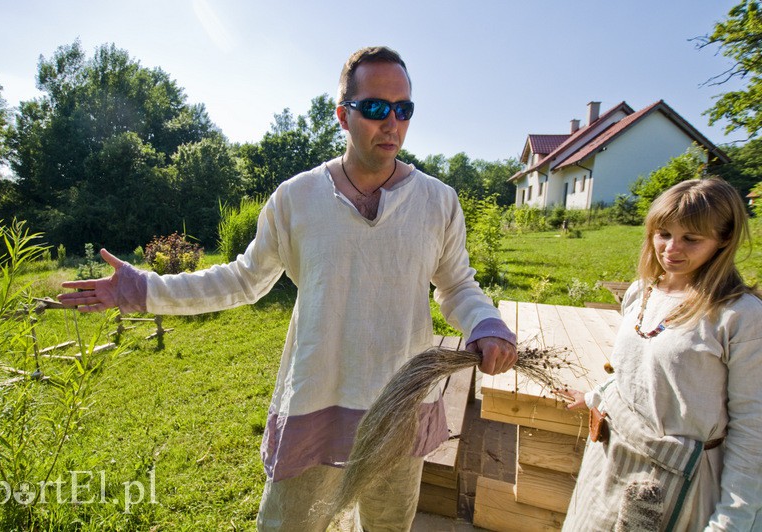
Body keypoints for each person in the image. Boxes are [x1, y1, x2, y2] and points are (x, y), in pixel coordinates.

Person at [58, 46, 517, 531]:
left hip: (399, 407)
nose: (392, 123)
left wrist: (485, 324)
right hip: (315, 403)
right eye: (377, 108)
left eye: (404, 109)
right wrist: (142, 289)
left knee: (389, 526)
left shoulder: (438, 201)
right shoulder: (296, 199)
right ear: (343, 115)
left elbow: (456, 285)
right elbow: (242, 279)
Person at [556, 177, 762, 531]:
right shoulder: (642, 292)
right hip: (613, 459)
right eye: (663, 233)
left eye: (691, 239)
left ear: (724, 239)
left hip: (680, 480)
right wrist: (595, 396)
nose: (671, 248)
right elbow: (632, 373)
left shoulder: (738, 315)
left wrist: (732, 520)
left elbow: (753, 428)